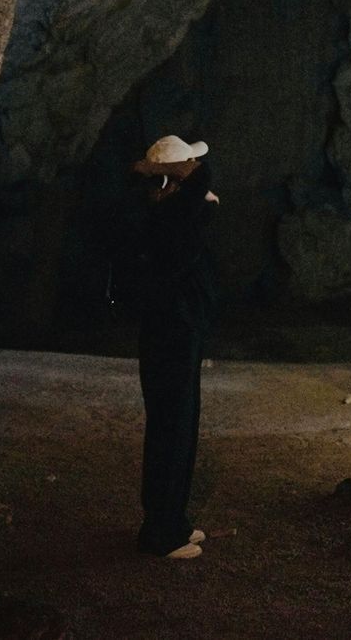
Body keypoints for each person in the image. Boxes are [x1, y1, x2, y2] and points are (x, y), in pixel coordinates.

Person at [131, 133, 220, 560]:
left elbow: (198, 189)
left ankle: (173, 521)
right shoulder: (170, 219)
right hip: (171, 337)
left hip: (175, 335)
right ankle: (162, 533)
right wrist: (171, 172)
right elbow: (201, 179)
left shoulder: (169, 216)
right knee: (172, 430)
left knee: (179, 428)